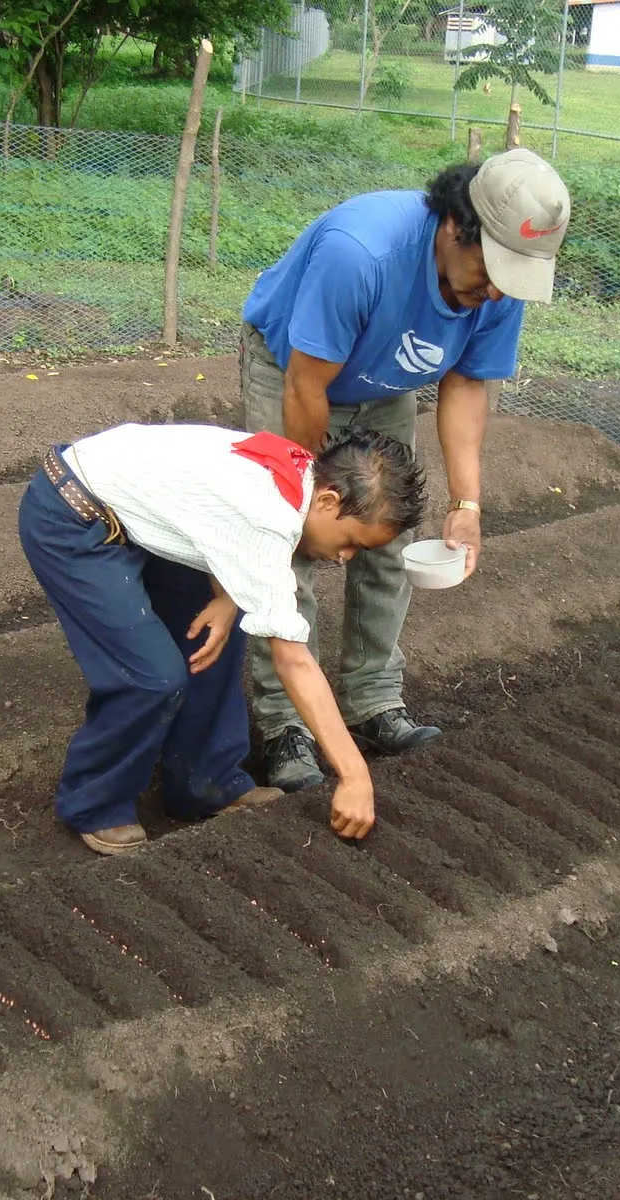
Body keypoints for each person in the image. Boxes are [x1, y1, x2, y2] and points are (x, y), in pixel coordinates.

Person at [239, 147, 570, 791]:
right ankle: (283, 725)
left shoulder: (500, 282)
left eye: (511, 277)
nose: (496, 291)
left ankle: (372, 700)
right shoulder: (360, 254)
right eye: (489, 270)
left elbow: (468, 386)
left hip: (386, 383)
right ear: (455, 228)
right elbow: (307, 387)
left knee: (389, 536)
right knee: (289, 539)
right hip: (293, 374)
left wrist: (467, 505)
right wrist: (307, 490)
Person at [17, 423, 426, 855]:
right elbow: (293, 660)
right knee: (151, 676)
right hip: (75, 514)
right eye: (352, 544)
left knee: (214, 634)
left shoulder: (300, 477)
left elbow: (210, 508)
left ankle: (206, 784)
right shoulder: (269, 518)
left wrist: (228, 596)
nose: (345, 559)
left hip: (141, 512)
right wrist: (354, 775)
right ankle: (95, 803)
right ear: (328, 500)